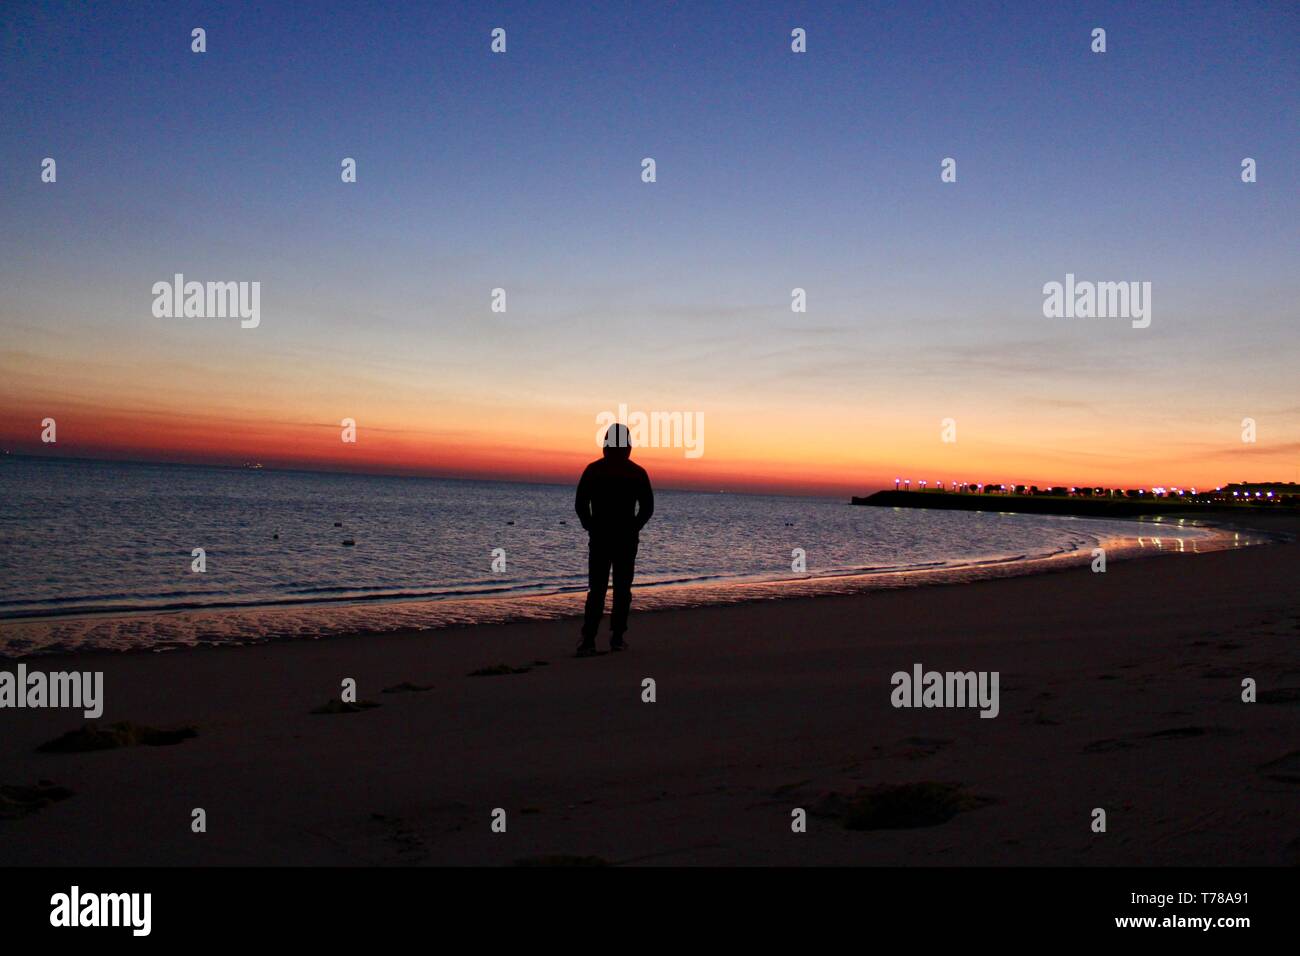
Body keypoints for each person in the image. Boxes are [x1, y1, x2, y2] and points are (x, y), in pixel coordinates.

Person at [574, 423, 654, 655]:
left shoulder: (594, 470)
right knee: (622, 589)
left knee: (597, 589)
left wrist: (590, 525)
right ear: (628, 445)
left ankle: (589, 639)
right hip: (624, 538)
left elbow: (581, 504)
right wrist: (634, 527)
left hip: (602, 537)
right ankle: (617, 638)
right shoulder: (637, 472)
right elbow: (647, 508)